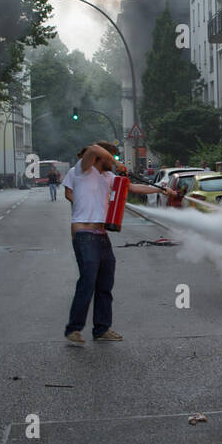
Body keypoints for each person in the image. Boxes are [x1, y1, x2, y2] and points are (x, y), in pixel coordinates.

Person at [61, 141, 165, 345]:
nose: (114, 161)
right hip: (84, 235)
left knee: (105, 284)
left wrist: (160, 190)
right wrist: (116, 163)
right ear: (102, 158)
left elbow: (134, 187)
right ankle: (73, 329)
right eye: (111, 157)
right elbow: (91, 148)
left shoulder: (108, 177)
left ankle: (102, 328)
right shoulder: (82, 171)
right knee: (87, 282)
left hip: (101, 235)